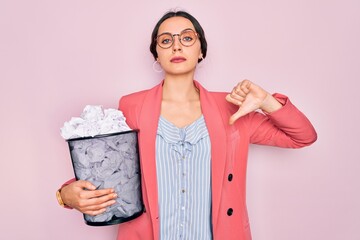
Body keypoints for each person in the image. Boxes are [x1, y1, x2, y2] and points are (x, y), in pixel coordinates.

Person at [57, 10, 317, 240]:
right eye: (166, 40)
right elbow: (109, 166)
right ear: (156, 54)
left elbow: (302, 136)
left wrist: (266, 101)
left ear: (201, 50)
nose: (176, 46)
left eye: (187, 38)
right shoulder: (132, 106)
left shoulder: (232, 107)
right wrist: (66, 195)